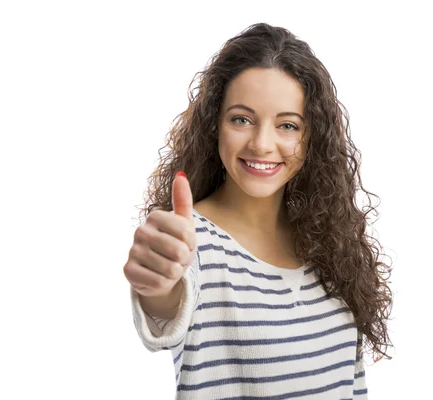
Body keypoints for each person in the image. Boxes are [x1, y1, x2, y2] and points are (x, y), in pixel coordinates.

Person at [123, 22, 393, 399]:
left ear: (310, 137)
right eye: (242, 119)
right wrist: (157, 285)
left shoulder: (329, 244)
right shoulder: (192, 242)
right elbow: (166, 303)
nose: (262, 143)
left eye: (287, 125)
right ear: (214, 125)